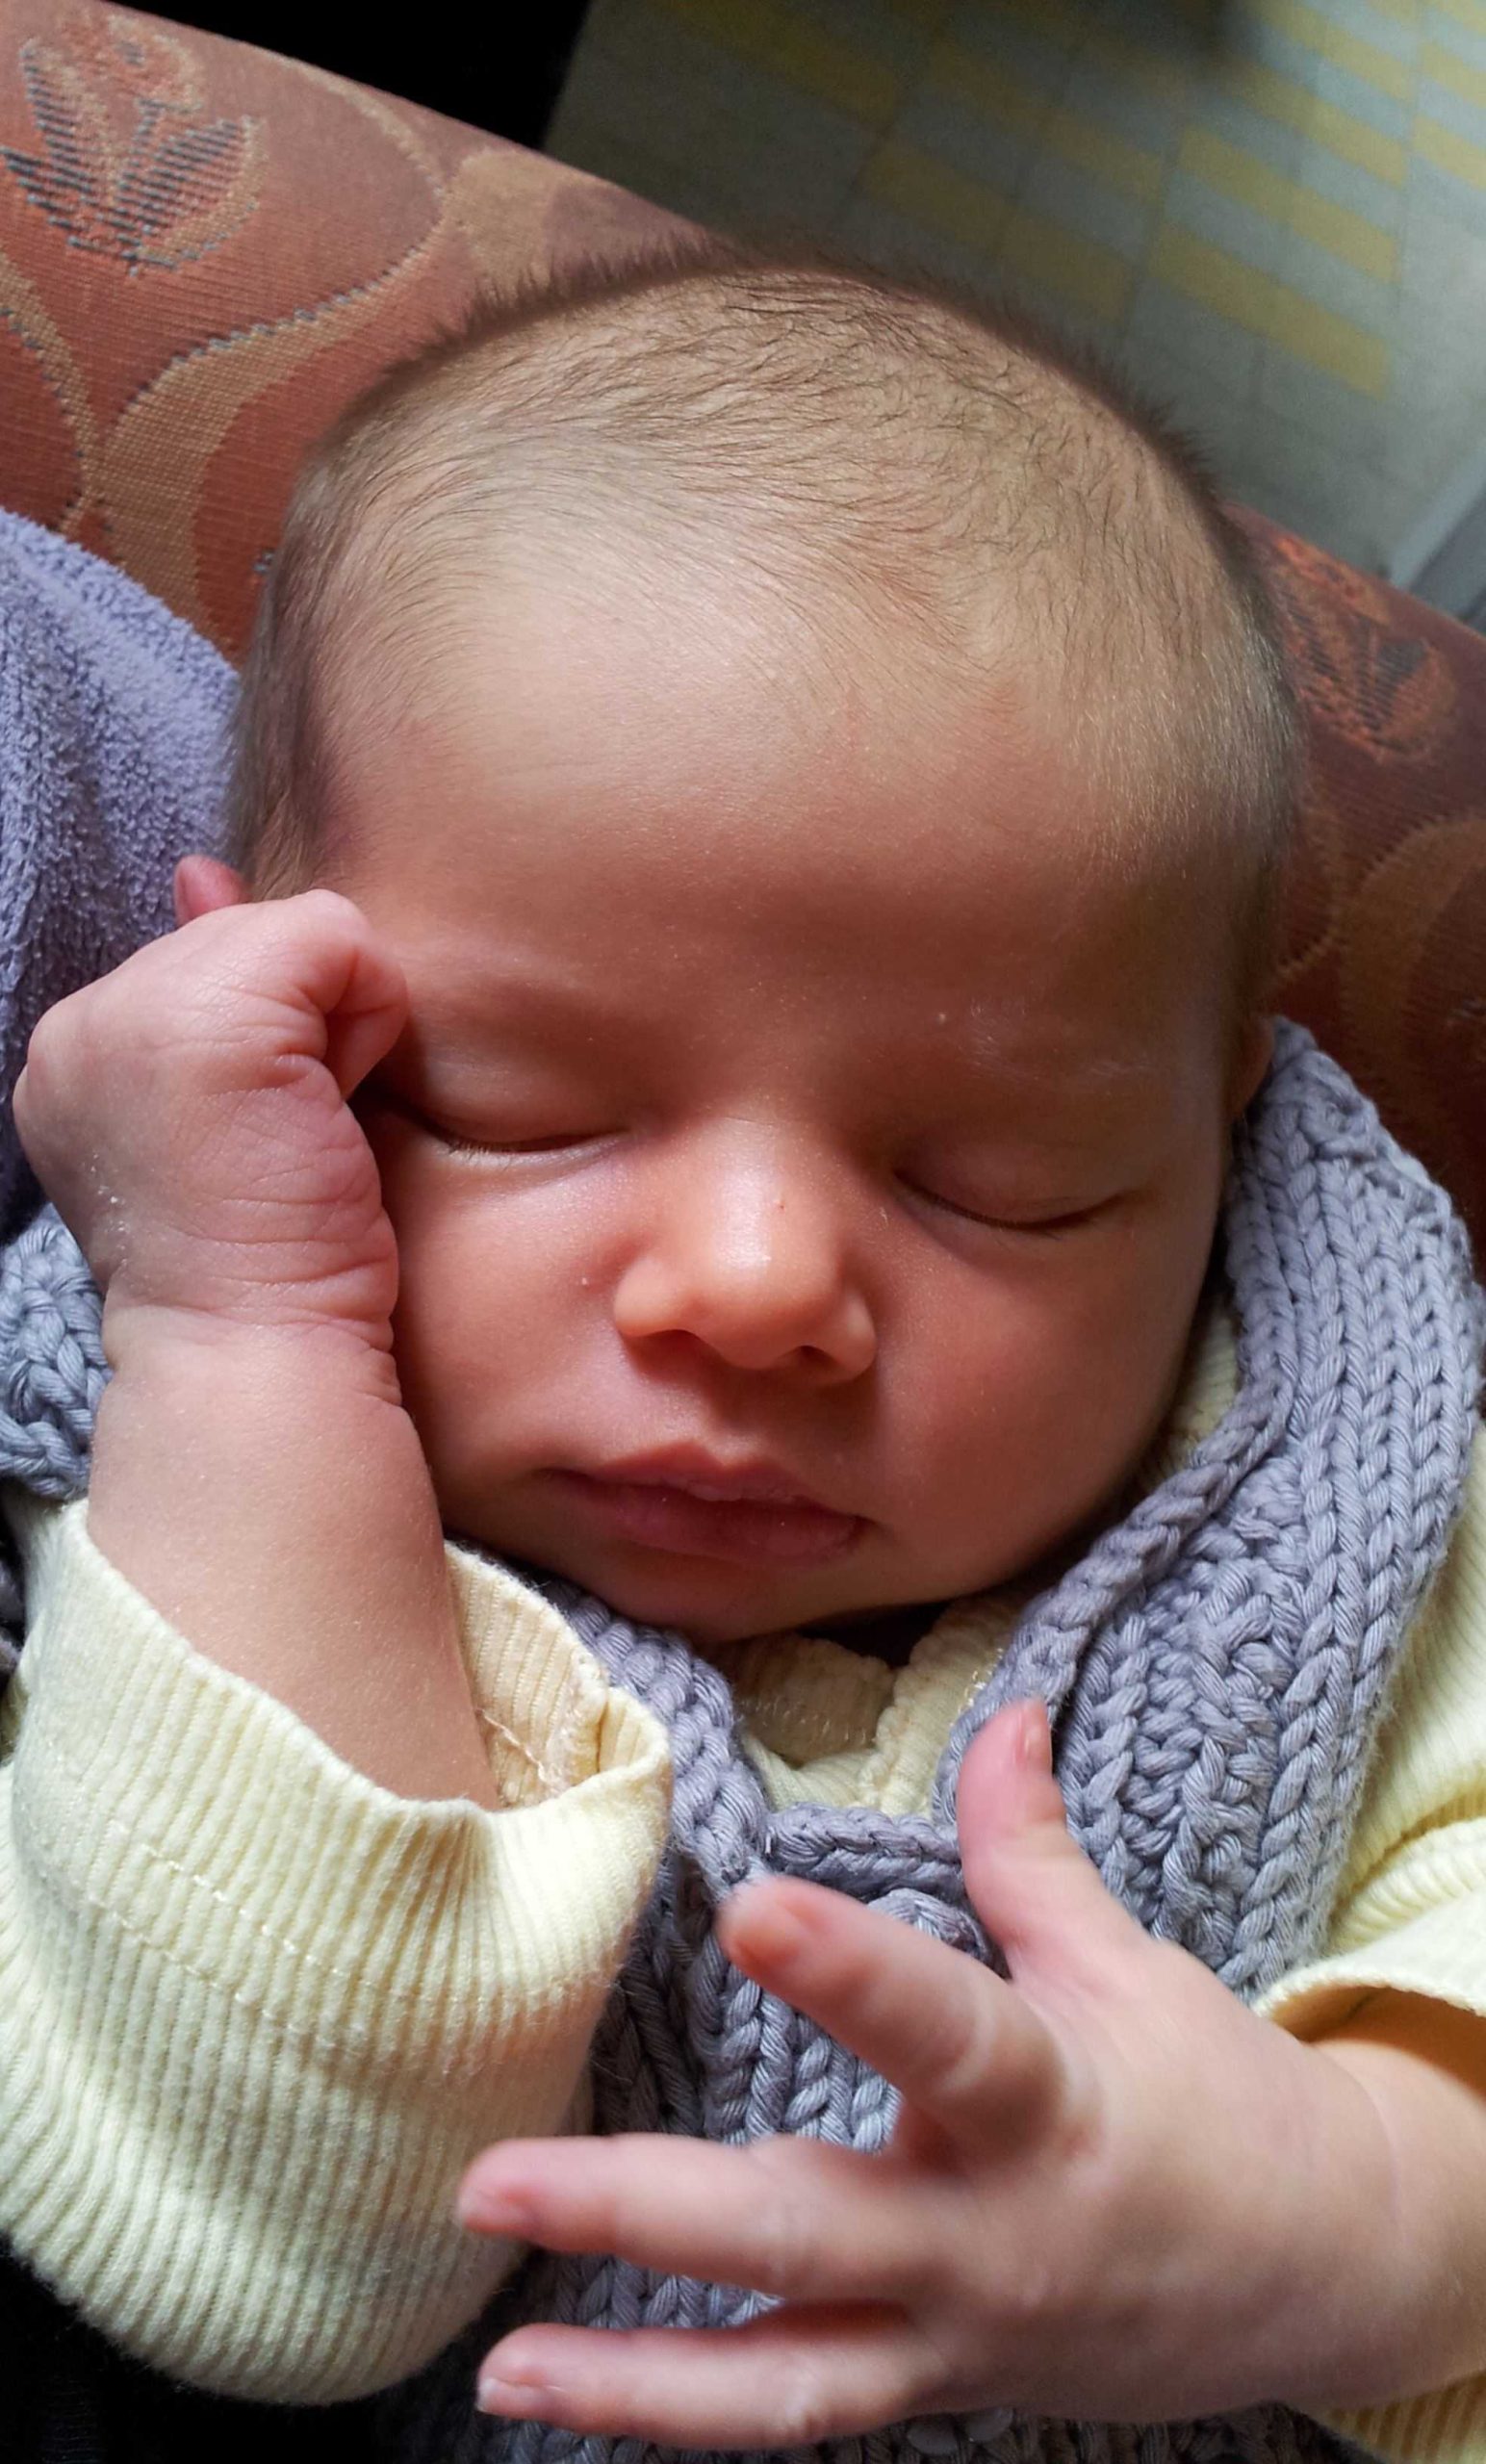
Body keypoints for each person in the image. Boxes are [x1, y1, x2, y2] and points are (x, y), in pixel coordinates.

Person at [2, 244, 1484, 2464]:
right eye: (523, 1107)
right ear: (274, 1032)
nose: (758, 1282)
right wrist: (244, 1339)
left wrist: (1347, 2213)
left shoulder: (1340, 1481)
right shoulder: (160, 1426)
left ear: (1216, 1145)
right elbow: (275, 2256)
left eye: (1003, 1179)